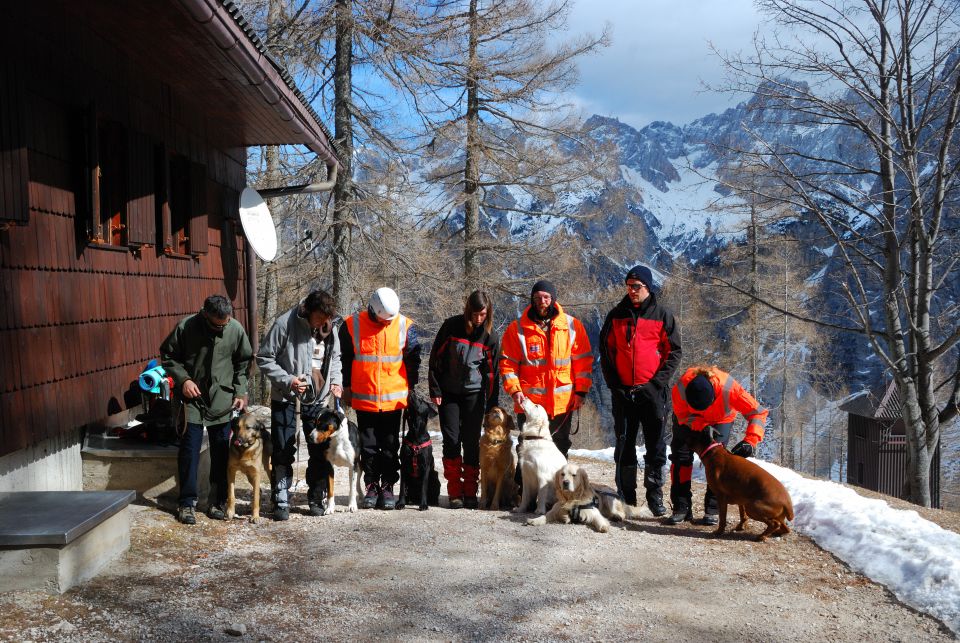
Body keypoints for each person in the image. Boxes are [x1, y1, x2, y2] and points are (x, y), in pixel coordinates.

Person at [161, 294, 253, 525]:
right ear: (205, 314)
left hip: (222, 398)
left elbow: (243, 362)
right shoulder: (187, 326)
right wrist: (183, 380)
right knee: (190, 449)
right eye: (216, 324)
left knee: (221, 451)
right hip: (191, 397)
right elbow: (168, 356)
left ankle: (217, 501)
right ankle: (187, 503)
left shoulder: (235, 330)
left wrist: (240, 392)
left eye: (225, 323)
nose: (222, 327)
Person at [598, 265, 681, 516]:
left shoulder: (663, 316)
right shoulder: (616, 315)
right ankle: (626, 497)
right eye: (629, 286)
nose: (632, 291)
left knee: (656, 448)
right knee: (625, 446)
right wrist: (615, 386)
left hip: (653, 394)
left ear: (648, 287)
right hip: (624, 394)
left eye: (637, 286)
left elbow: (674, 353)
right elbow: (606, 353)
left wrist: (655, 384)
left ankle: (655, 497)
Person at [257, 289, 343, 520]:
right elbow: (264, 358)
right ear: (308, 311)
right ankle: (281, 497)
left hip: (318, 397)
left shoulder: (330, 327)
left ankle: (316, 496)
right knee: (283, 447)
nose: (323, 323)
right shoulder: (285, 323)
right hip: (286, 396)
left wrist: (336, 381)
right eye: (319, 319)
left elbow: (335, 358)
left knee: (318, 447)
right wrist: (288, 380)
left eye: (327, 319)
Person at [339, 287, 421, 510]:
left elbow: (414, 359)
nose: (387, 323)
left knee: (390, 444)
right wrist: (346, 386)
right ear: (373, 310)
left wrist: (411, 388)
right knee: (369, 446)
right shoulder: (350, 325)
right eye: (383, 319)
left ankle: (388, 487)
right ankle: (371, 486)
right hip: (365, 398)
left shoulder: (406, 325)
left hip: (393, 399)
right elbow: (345, 358)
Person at [501, 280, 593, 463]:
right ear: (532, 300)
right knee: (527, 449)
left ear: (553, 299)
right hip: (530, 404)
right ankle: (524, 490)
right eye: (537, 298)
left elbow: (583, 363)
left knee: (560, 446)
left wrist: (581, 392)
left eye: (546, 297)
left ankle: (558, 490)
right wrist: (515, 390)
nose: (542, 301)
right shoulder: (517, 329)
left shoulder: (572, 326)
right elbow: (507, 365)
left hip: (562, 403)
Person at [666, 364, 769, 525]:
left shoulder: (729, 388)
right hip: (688, 421)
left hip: (721, 420)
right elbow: (681, 415)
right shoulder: (680, 388)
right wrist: (702, 425)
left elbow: (758, 412)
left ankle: (713, 509)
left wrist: (751, 441)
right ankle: (681, 507)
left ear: (714, 396)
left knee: (718, 462)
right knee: (681, 458)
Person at [428, 290, 500, 509]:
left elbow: (492, 373)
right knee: (451, 439)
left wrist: (492, 402)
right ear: (468, 310)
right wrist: (435, 390)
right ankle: (454, 491)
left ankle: (470, 490)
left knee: (470, 441)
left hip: (474, 395)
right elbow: (435, 358)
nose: (479, 319)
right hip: (448, 393)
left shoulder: (490, 336)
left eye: (483, 315)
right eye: (476, 314)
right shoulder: (451, 326)